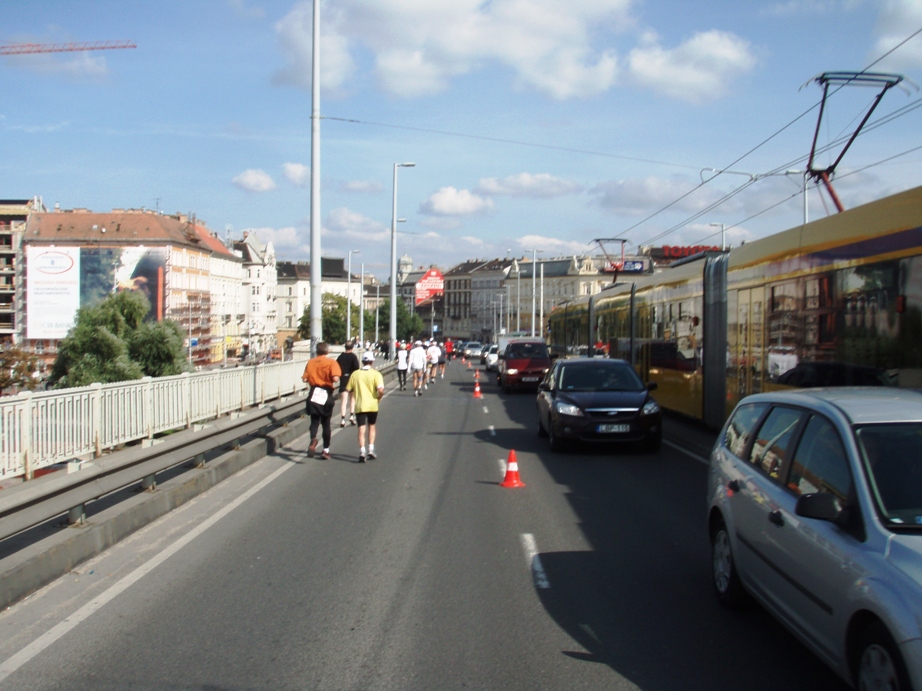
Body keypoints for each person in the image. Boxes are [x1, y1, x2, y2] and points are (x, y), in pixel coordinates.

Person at [302, 342, 341, 459]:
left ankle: (313, 439)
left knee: (314, 421)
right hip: (326, 392)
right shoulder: (332, 362)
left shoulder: (310, 362)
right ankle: (325, 450)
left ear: (316, 351)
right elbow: (335, 378)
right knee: (326, 423)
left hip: (314, 392)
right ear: (327, 351)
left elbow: (304, 379)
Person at [347, 351, 385, 462]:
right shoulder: (376, 374)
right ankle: (371, 449)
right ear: (372, 361)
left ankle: (362, 451)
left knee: (361, 428)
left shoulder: (355, 374)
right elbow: (381, 390)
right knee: (372, 426)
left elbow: (349, 389)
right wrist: (378, 397)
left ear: (362, 361)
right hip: (373, 405)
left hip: (360, 406)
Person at [336, 341, 360, 428]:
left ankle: (342, 419)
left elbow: (336, 367)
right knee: (352, 398)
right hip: (352, 379)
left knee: (344, 400)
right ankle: (351, 416)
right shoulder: (353, 357)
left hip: (343, 379)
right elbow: (357, 368)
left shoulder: (340, 357)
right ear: (352, 347)